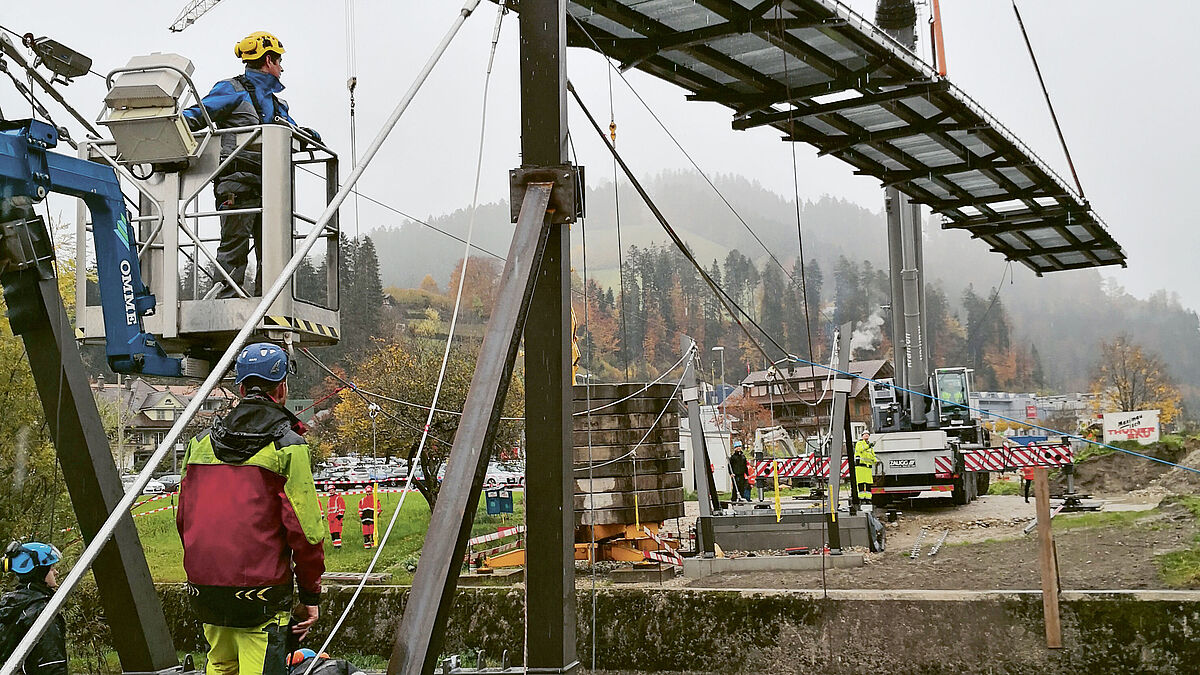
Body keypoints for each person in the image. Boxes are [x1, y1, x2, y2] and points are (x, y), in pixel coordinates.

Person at [177, 342, 326, 675]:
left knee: (220, 666)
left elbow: (184, 518)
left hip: (206, 591)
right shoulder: (288, 446)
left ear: (240, 387)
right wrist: (310, 596)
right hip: (261, 597)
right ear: (283, 388)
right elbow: (306, 531)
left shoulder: (200, 444)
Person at [182, 32, 321, 299]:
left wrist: (304, 135)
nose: (281, 67)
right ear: (268, 60)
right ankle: (224, 302)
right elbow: (198, 114)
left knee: (273, 251)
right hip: (238, 185)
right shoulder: (232, 90)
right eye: (279, 61)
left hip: (270, 188)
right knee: (234, 246)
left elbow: (287, 130)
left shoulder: (276, 104)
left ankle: (266, 305)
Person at [0, 542, 66, 674]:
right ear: (39, 571)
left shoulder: (12, 605)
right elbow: (52, 666)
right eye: (51, 568)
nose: (56, 572)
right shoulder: (41, 612)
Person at [853, 430, 877, 505]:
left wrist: (875, 461)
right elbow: (860, 450)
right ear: (862, 436)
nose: (866, 436)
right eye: (865, 434)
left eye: (868, 435)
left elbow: (872, 455)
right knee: (861, 483)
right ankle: (861, 498)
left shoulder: (870, 446)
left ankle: (868, 498)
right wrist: (868, 446)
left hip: (868, 468)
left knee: (868, 484)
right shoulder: (859, 443)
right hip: (860, 467)